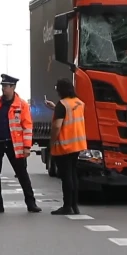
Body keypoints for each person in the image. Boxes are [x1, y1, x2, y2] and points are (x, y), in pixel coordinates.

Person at [0, 74, 42, 214]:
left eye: (6, 86)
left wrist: (27, 147)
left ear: (13, 87)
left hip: (13, 144)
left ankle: (31, 203)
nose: (3, 89)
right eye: (2, 86)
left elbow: (27, 126)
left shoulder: (21, 104)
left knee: (21, 173)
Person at [49, 78, 88, 215]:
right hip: (77, 144)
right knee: (73, 175)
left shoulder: (62, 104)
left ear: (60, 90)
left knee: (66, 177)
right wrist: (55, 108)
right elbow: (70, 114)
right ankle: (74, 206)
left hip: (64, 145)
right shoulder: (79, 103)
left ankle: (67, 206)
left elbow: (57, 126)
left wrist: (52, 141)